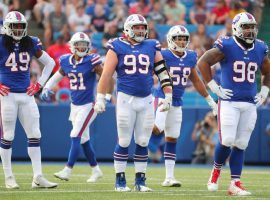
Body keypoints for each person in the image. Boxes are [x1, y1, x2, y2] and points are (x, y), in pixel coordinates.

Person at [94, 14, 173, 192]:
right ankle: (120, 181)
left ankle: (140, 181)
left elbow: (162, 72)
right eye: (136, 27)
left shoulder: (152, 45)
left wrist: (168, 96)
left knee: (143, 141)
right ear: (128, 28)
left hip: (146, 99)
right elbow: (106, 74)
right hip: (125, 99)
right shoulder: (117, 46)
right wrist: (100, 97)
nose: (140, 30)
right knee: (123, 140)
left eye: (142, 27)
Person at [197, 12, 270, 196]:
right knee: (227, 140)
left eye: (252, 27)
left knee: (241, 144)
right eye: (246, 27)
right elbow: (203, 62)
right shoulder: (227, 44)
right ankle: (215, 171)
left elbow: (268, 70)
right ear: (237, 28)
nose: (249, 30)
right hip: (229, 101)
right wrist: (214, 86)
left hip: (249, 102)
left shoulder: (260, 47)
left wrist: (264, 90)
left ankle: (235, 183)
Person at [150, 25, 217, 187]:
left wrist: (210, 100)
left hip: (177, 101)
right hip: (161, 98)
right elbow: (147, 73)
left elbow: (195, 80)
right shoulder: (163, 54)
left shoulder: (190, 57)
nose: (181, 41)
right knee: (157, 128)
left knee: (172, 137)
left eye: (183, 38)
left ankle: (169, 177)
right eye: (178, 38)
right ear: (170, 39)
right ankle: (137, 126)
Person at [41, 32, 112, 183]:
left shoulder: (92, 60)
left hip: (89, 105)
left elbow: (107, 77)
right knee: (84, 139)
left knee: (75, 135)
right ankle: (96, 170)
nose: (81, 47)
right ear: (72, 46)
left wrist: (105, 98)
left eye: (84, 45)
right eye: (79, 44)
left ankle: (67, 170)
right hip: (75, 106)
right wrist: (47, 87)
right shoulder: (66, 60)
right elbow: (58, 75)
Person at [0, 11, 57, 189]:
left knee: (35, 134)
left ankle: (38, 177)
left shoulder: (31, 42)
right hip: (7, 95)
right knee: (8, 135)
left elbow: (50, 63)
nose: (18, 29)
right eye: (14, 26)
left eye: (20, 26)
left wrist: (39, 84)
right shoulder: (1, 42)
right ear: (7, 27)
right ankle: (9, 177)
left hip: (26, 94)